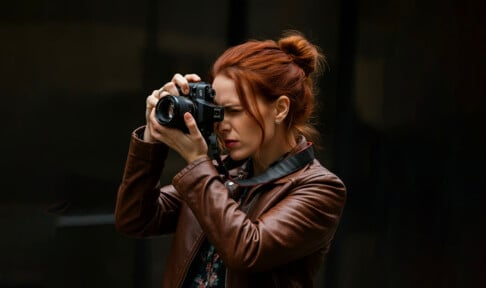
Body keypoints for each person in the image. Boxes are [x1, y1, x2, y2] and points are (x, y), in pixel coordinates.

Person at [115, 31, 346, 288]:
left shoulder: (321, 189)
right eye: (218, 112)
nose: (222, 125)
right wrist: (152, 136)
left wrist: (196, 162)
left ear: (280, 109)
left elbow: (247, 250)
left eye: (234, 111)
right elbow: (135, 218)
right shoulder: (221, 172)